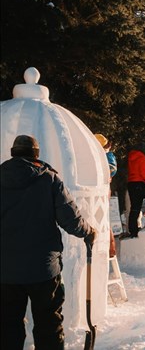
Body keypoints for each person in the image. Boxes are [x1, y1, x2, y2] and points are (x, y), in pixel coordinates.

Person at [1, 135, 97, 350]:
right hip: (43, 269)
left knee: (7, 326)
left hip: (5, 270)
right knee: (48, 324)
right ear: (36, 154)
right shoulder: (48, 179)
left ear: (12, 152)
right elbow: (70, 219)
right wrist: (88, 232)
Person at [95, 133, 117, 258]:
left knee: (104, 218)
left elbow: (111, 170)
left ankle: (110, 249)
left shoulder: (108, 156)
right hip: (100, 191)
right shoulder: (102, 156)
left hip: (103, 192)